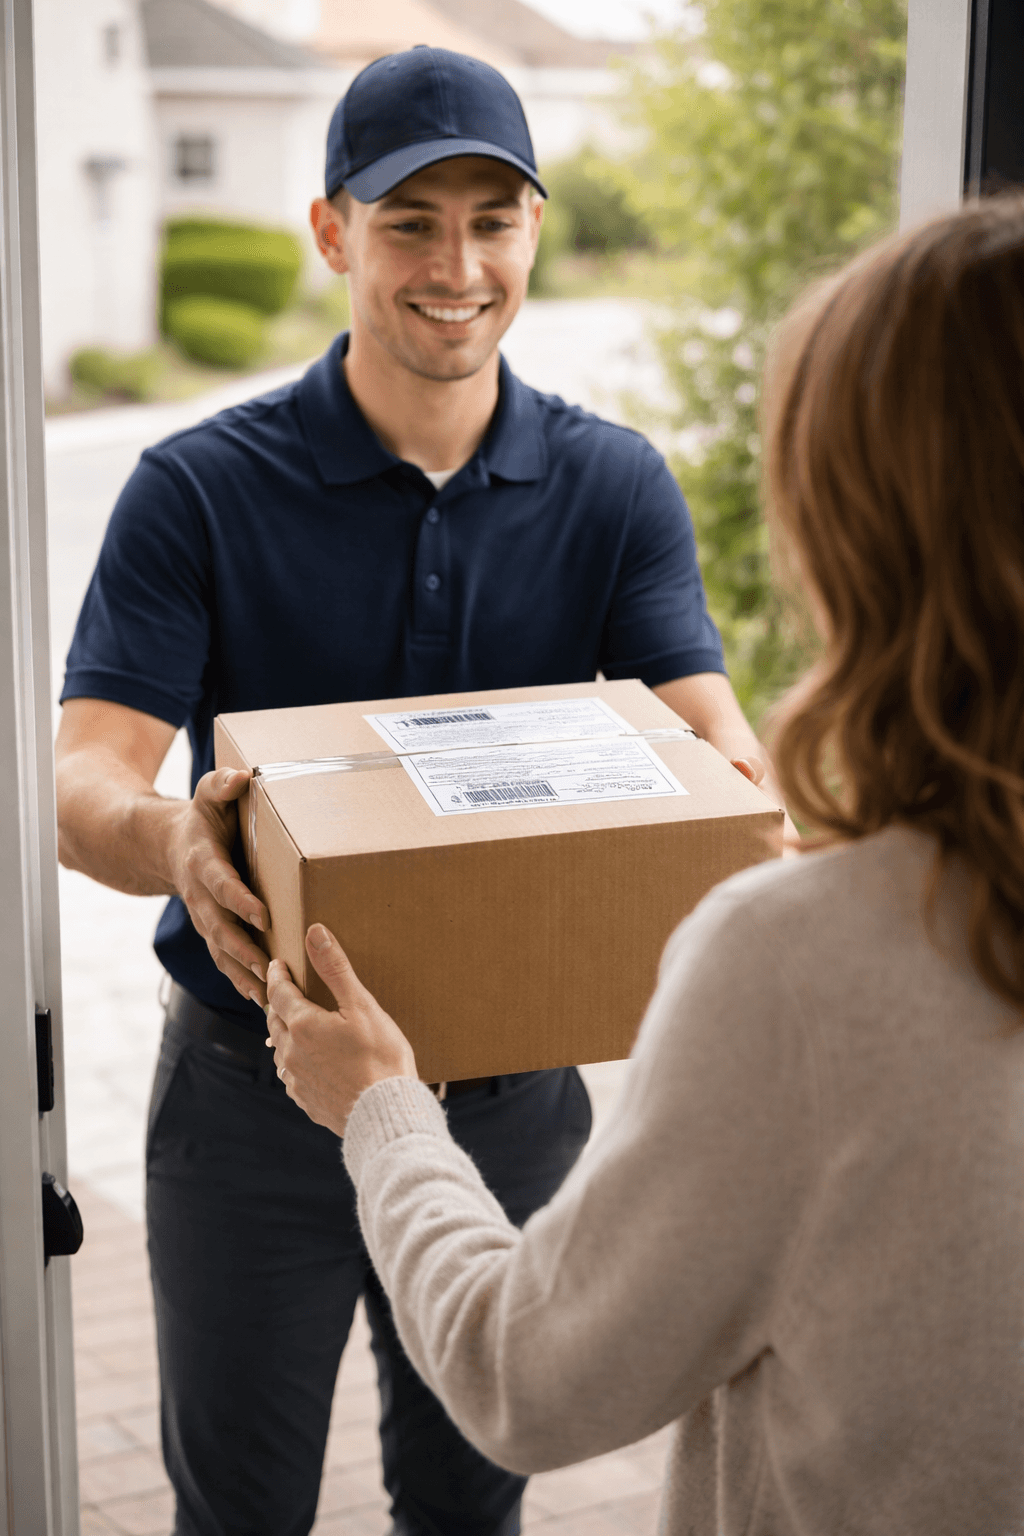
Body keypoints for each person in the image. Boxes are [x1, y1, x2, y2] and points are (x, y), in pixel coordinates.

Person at [54, 46, 793, 1536]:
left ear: (533, 232)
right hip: (248, 1092)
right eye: (410, 223)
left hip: (509, 1105)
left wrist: (744, 789)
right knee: (240, 1510)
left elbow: (713, 740)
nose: (457, 266)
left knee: (472, 1505)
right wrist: (174, 845)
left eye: (494, 219)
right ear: (332, 231)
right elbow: (87, 778)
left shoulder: (613, 486)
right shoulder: (198, 489)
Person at [265, 194, 1024, 1536]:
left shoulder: (807, 961)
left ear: (854, 523)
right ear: (338, 236)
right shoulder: (207, 479)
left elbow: (525, 1377)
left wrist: (380, 1101)